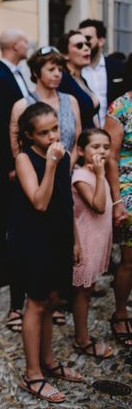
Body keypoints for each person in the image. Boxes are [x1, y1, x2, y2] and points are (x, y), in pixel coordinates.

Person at [9, 102, 82, 404]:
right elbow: (40, 201)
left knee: (52, 301)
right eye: (44, 132)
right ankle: (33, 373)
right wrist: (51, 165)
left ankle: (49, 361)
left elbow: (66, 202)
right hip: (34, 240)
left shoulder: (62, 156)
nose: (53, 136)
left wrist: (75, 240)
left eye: (55, 129)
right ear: (29, 135)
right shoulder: (25, 159)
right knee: (36, 304)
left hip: (59, 237)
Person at [0, 29, 29, 295]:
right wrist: (12, 164)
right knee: (1, 214)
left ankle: (12, 261)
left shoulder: (16, 74)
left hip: (15, 156)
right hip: (4, 159)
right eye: (25, 41)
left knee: (12, 212)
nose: (28, 44)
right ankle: (0, 267)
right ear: (15, 44)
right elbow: (0, 125)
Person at [70, 128, 114, 358]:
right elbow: (97, 206)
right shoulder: (81, 177)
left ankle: (81, 334)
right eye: (95, 147)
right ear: (80, 150)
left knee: (85, 289)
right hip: (85, 240)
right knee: (82, 292)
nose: (102, 151)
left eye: (106, 147)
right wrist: (99, 175)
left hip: (96, 239)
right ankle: (82, 339)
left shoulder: (97, 171)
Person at [104, 93, 132, 347]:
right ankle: (120, 313)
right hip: (128, 189)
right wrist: (117, 200)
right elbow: (109, 156)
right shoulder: (122, 106)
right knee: (128, 261)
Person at [79, 19, 127, 126]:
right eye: (81, 40)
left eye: (88, 38)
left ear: (101, 41)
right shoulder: (76, 71)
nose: (84, 44)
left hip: (116, 131)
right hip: (87, 135)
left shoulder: (118, 67)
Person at [57, 30, 99, 129]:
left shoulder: (81, 79)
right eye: (79, 45)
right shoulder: (62, 80)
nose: (86, 48)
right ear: (65, 55)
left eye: (87, 44)